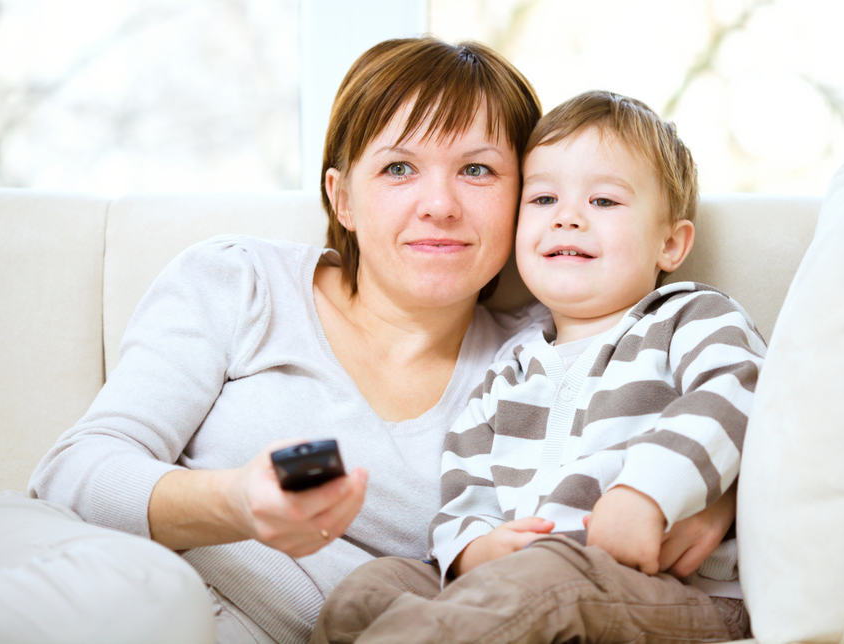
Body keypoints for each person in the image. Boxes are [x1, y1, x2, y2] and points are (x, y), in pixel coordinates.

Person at [0, 43, 737, 644]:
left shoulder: (540, 366)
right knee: (150, 599)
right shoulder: (239, 283)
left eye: (480, 171)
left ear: (524, 197)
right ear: (340, 197)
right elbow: (72, 474)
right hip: (70, 566)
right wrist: (236, 502)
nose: (441, 205)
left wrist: (719, 496)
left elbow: (717, 409)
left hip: (253, 634)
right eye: (398, 169)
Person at [312, 90, 766, 644]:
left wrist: (647, 492)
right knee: (373, 589)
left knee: (545, 582)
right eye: (544, 199)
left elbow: (739, 395)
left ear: (670, 243)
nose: (568, 218)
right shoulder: (510, 365)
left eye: (604, 202)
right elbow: (466, 478)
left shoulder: (690, 318)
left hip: (670, 591)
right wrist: (473, 548)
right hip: (522, 578)